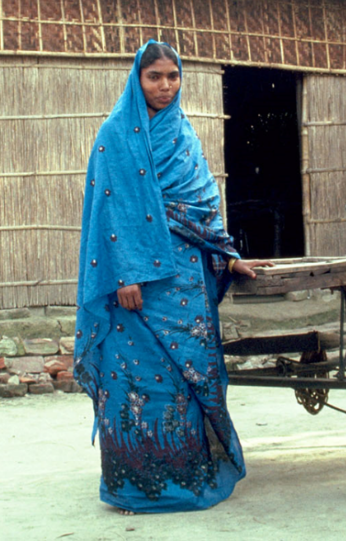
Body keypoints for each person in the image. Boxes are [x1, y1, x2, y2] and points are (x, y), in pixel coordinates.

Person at [73, 40, 270, 514]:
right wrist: (125, 276)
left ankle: (188, 478)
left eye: (172, 77)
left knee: (188, 382)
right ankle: (134, 486)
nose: (164, 86)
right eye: (154, 77)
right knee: (139, 382)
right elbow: (108, 212)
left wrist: (229, 254)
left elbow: (203, 202)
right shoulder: (115, 135)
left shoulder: (183, 133)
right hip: (135, 287)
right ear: (136, 80)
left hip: (187, 279)